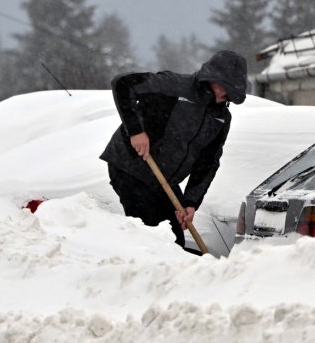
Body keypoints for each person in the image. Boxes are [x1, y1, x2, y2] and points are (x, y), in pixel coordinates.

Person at [100, 50, 247, 251]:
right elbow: (123, 84)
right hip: (131, 166)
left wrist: (190, 202)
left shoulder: (220, 118)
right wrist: (136, 131)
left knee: (174, 238)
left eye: (231, 93)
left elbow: (208, 162)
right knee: (151, 233)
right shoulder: (175, 86)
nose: (225, 95)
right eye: (224, 87)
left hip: (164, 179)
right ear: (211, 77)